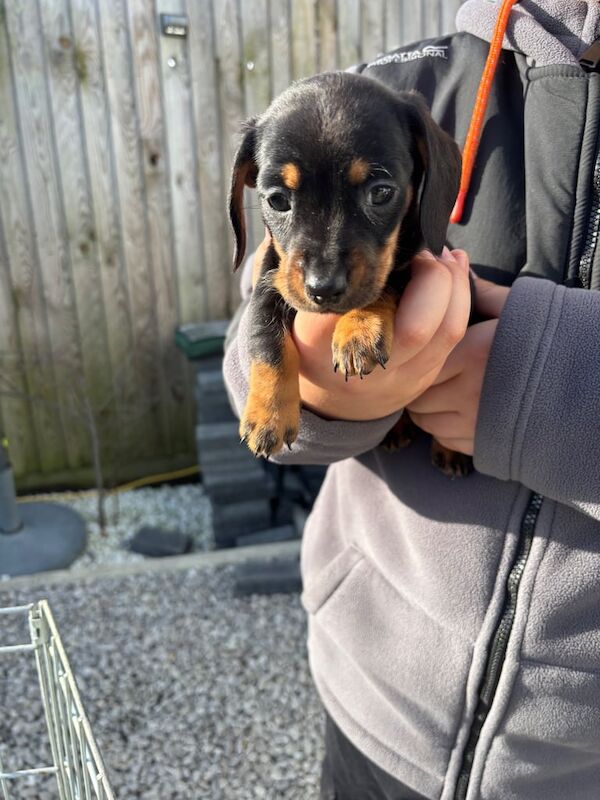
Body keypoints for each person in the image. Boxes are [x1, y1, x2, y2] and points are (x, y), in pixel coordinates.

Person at [223, 1, 600, 797]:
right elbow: (256, 338)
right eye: (282, 203)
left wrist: (558, 383)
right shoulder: (401, 84)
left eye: (376, 195)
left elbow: (411, 276)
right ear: (250, 195)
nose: (322, 265)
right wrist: (327, 401)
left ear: (425, 179)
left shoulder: (402, 127)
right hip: (375, 704)